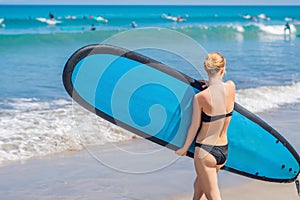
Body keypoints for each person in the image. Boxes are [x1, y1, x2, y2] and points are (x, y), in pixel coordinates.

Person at [176, 52, 236, 200]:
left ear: (205, 68)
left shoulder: (200, 98)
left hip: (206, 152)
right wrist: (211, 85)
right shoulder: (231, 87)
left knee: (213, 196)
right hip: (223, 151)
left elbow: (194, 126)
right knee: (199, 188)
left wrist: (184, 148)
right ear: (222, 69)